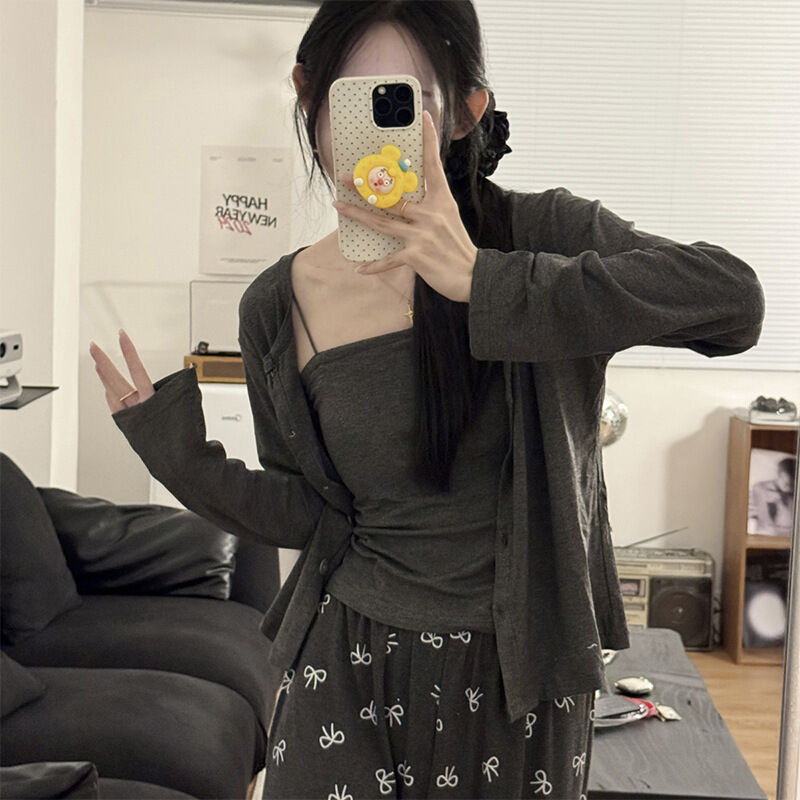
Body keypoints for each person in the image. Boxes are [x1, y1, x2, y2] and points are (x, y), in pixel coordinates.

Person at [89, 2, 765, 797]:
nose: (377, 129)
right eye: (352, 97)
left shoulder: (540, 234)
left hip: (517, 686)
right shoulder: (277, 305)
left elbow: (733, 302)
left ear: (464, 112)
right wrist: (174, 453)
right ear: (309, 96)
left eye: (407, 101)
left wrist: (486, 282)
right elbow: (310, 514)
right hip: (347, 666)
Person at [748, 457, 796, 535]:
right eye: (788, 484)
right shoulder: (760, 488)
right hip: (767, 535)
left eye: (793, 485)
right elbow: (765, 523)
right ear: (781, 474)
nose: (790, 488)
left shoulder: (793, 492)